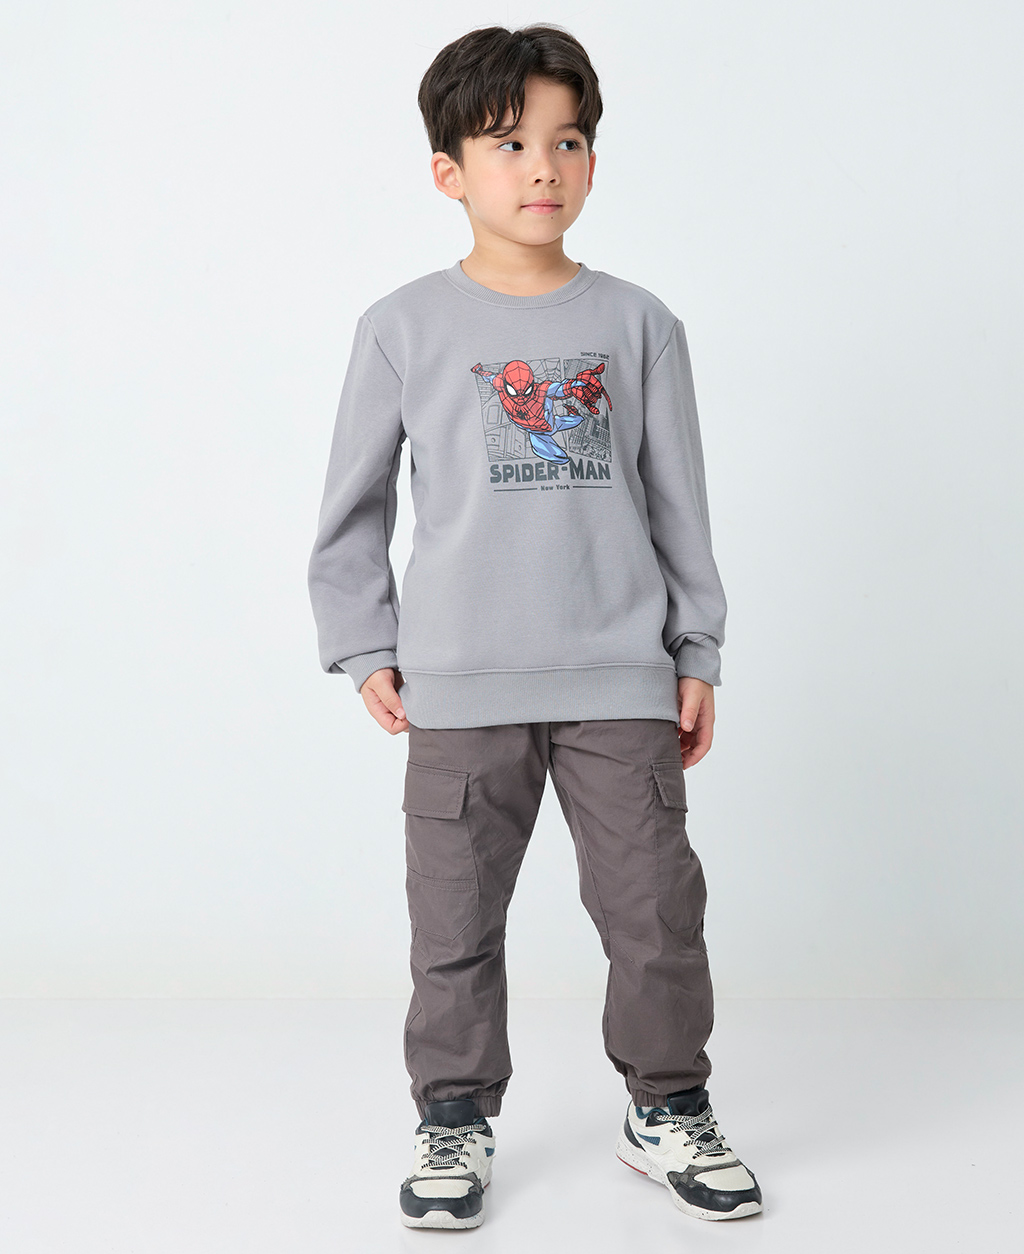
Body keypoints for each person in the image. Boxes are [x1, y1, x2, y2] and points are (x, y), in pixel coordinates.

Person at [307, 22, 763, 1231]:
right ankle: (453, 1118)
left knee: (655, 916)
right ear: (449, 172)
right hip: (459, 685)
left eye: (566, 142)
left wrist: (696, 649)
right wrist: (364, 644)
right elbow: (351, 507)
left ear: (592, 162)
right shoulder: (402, 327)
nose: (542, 167)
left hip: (620, 675)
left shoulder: (639, 322)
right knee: (454, 926)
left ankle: (666, 1106)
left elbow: (678, 502)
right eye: (508, 144)